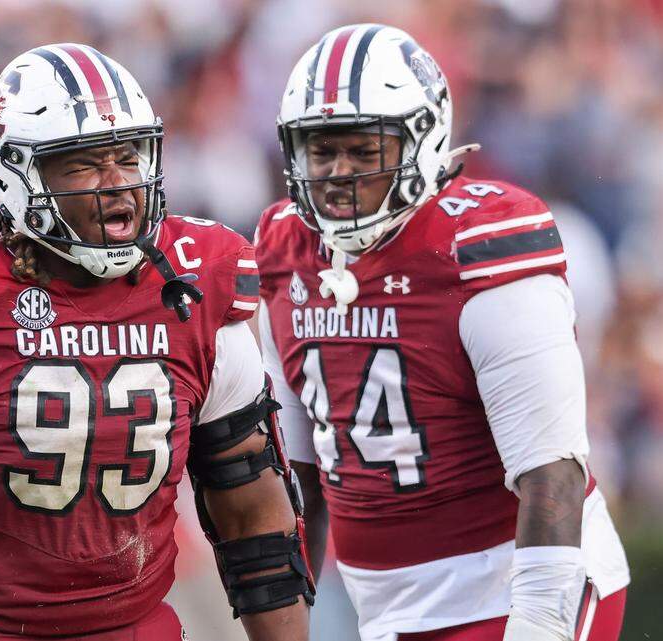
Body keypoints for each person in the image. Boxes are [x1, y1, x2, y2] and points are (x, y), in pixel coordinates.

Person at [0, 43, 312, 641]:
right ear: (14, 173)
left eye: (129, 157)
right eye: (83, 165)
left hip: (137, 628)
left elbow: (251, 501)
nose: (119, 187)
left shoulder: (196, 281)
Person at [254, 24, 630, 641]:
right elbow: (298, 474)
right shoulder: (282, 249)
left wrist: (537, 622)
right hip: (386, 609)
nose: (338, 174)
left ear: (421, 141)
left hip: (516, 582)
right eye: (322, 152)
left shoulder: (477, 249)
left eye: (363, 150)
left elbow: (551, 471)